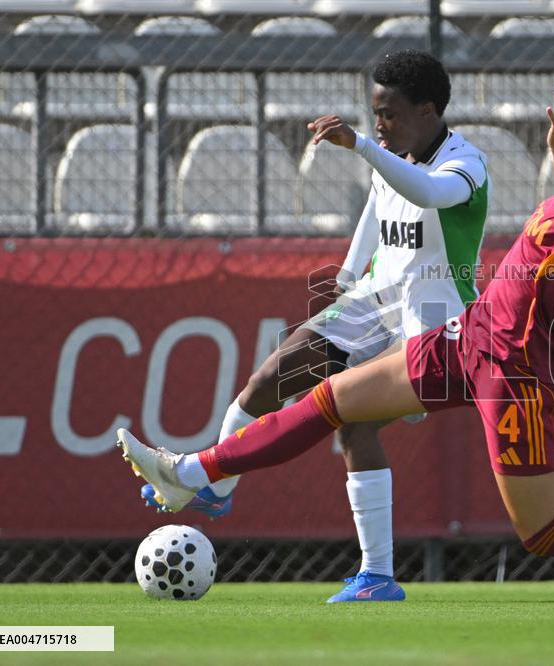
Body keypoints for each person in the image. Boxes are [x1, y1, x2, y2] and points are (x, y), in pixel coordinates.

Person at [120, 84, 554, 605]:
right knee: (331, 399)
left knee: (545, 532)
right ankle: (195, 472)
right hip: (473, 334)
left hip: (516, 369)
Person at [140, 49, 489, 603]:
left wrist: (366, 148)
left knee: (355, 425)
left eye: (390, 113)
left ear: (428, 110)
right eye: (375, 113)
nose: (379, 123)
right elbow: (377, 212)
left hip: (434, 327)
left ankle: (376, 576)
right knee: (270, 377)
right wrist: (348, 276)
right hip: (371, 305)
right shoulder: (393, 152)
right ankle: (217, 484)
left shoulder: (466, 163)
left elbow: (427, 194)